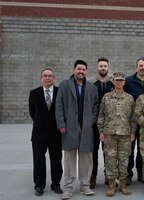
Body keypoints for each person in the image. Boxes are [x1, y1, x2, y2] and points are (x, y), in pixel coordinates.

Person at [56, 60, 99, 199]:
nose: (81, 72)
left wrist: (91, 120)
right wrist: (61, 123)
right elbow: (59, 105)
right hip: (69, 127)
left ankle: (85, 185)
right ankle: (68, 187)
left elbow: (96, 106)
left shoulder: (92, 88)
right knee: (69, 158)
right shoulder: (64, 85)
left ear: (86, 71)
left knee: (86, 157)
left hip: (86, 127)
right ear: (74, 70)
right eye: (79, 69)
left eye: (83, 69)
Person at [98, 72, 136, 197]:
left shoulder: (129, 98)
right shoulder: (106, 97)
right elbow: (101, 115)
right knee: (110, 159)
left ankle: (123, 184)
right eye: (116, 80)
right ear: (113, 82)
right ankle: (111, 185)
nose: (119, 82)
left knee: (124, 159)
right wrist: (101, 131)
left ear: (124, 82)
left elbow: (133, 117)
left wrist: (132, 132)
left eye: (121, 80)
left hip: (125, 134)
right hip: (109, 134)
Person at [29, 68, 63, 196]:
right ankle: (39, 185)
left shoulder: (60, 92)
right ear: (41, 78)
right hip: (39, 133)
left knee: (56, 159)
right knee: (38, 159)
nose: (47, 78)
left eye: (50, 76)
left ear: (54, 78)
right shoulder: (34, 93)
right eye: (45, 75)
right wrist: (42, 124)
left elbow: (62, 111)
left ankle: (56, 184)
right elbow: (33, 113)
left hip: (56, 133)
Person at [89, 57, 114, 189]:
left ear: (108, 67)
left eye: (105, 66)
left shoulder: (113, 83)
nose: (103, 68)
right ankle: (92, 176)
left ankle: (108, 175)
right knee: (93, 150)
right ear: (97, 67)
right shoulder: (91, 83)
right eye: (101, 66)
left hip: (109, 124)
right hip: (94, 124)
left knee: (108, 151)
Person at [123, 56, 144, 185]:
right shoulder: (128, 81)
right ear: (136, 67)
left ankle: (141, 173)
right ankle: (128, 174)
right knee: (130, 149)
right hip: (131, 121)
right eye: (140, 65)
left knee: (143, 149)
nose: (143, 68)